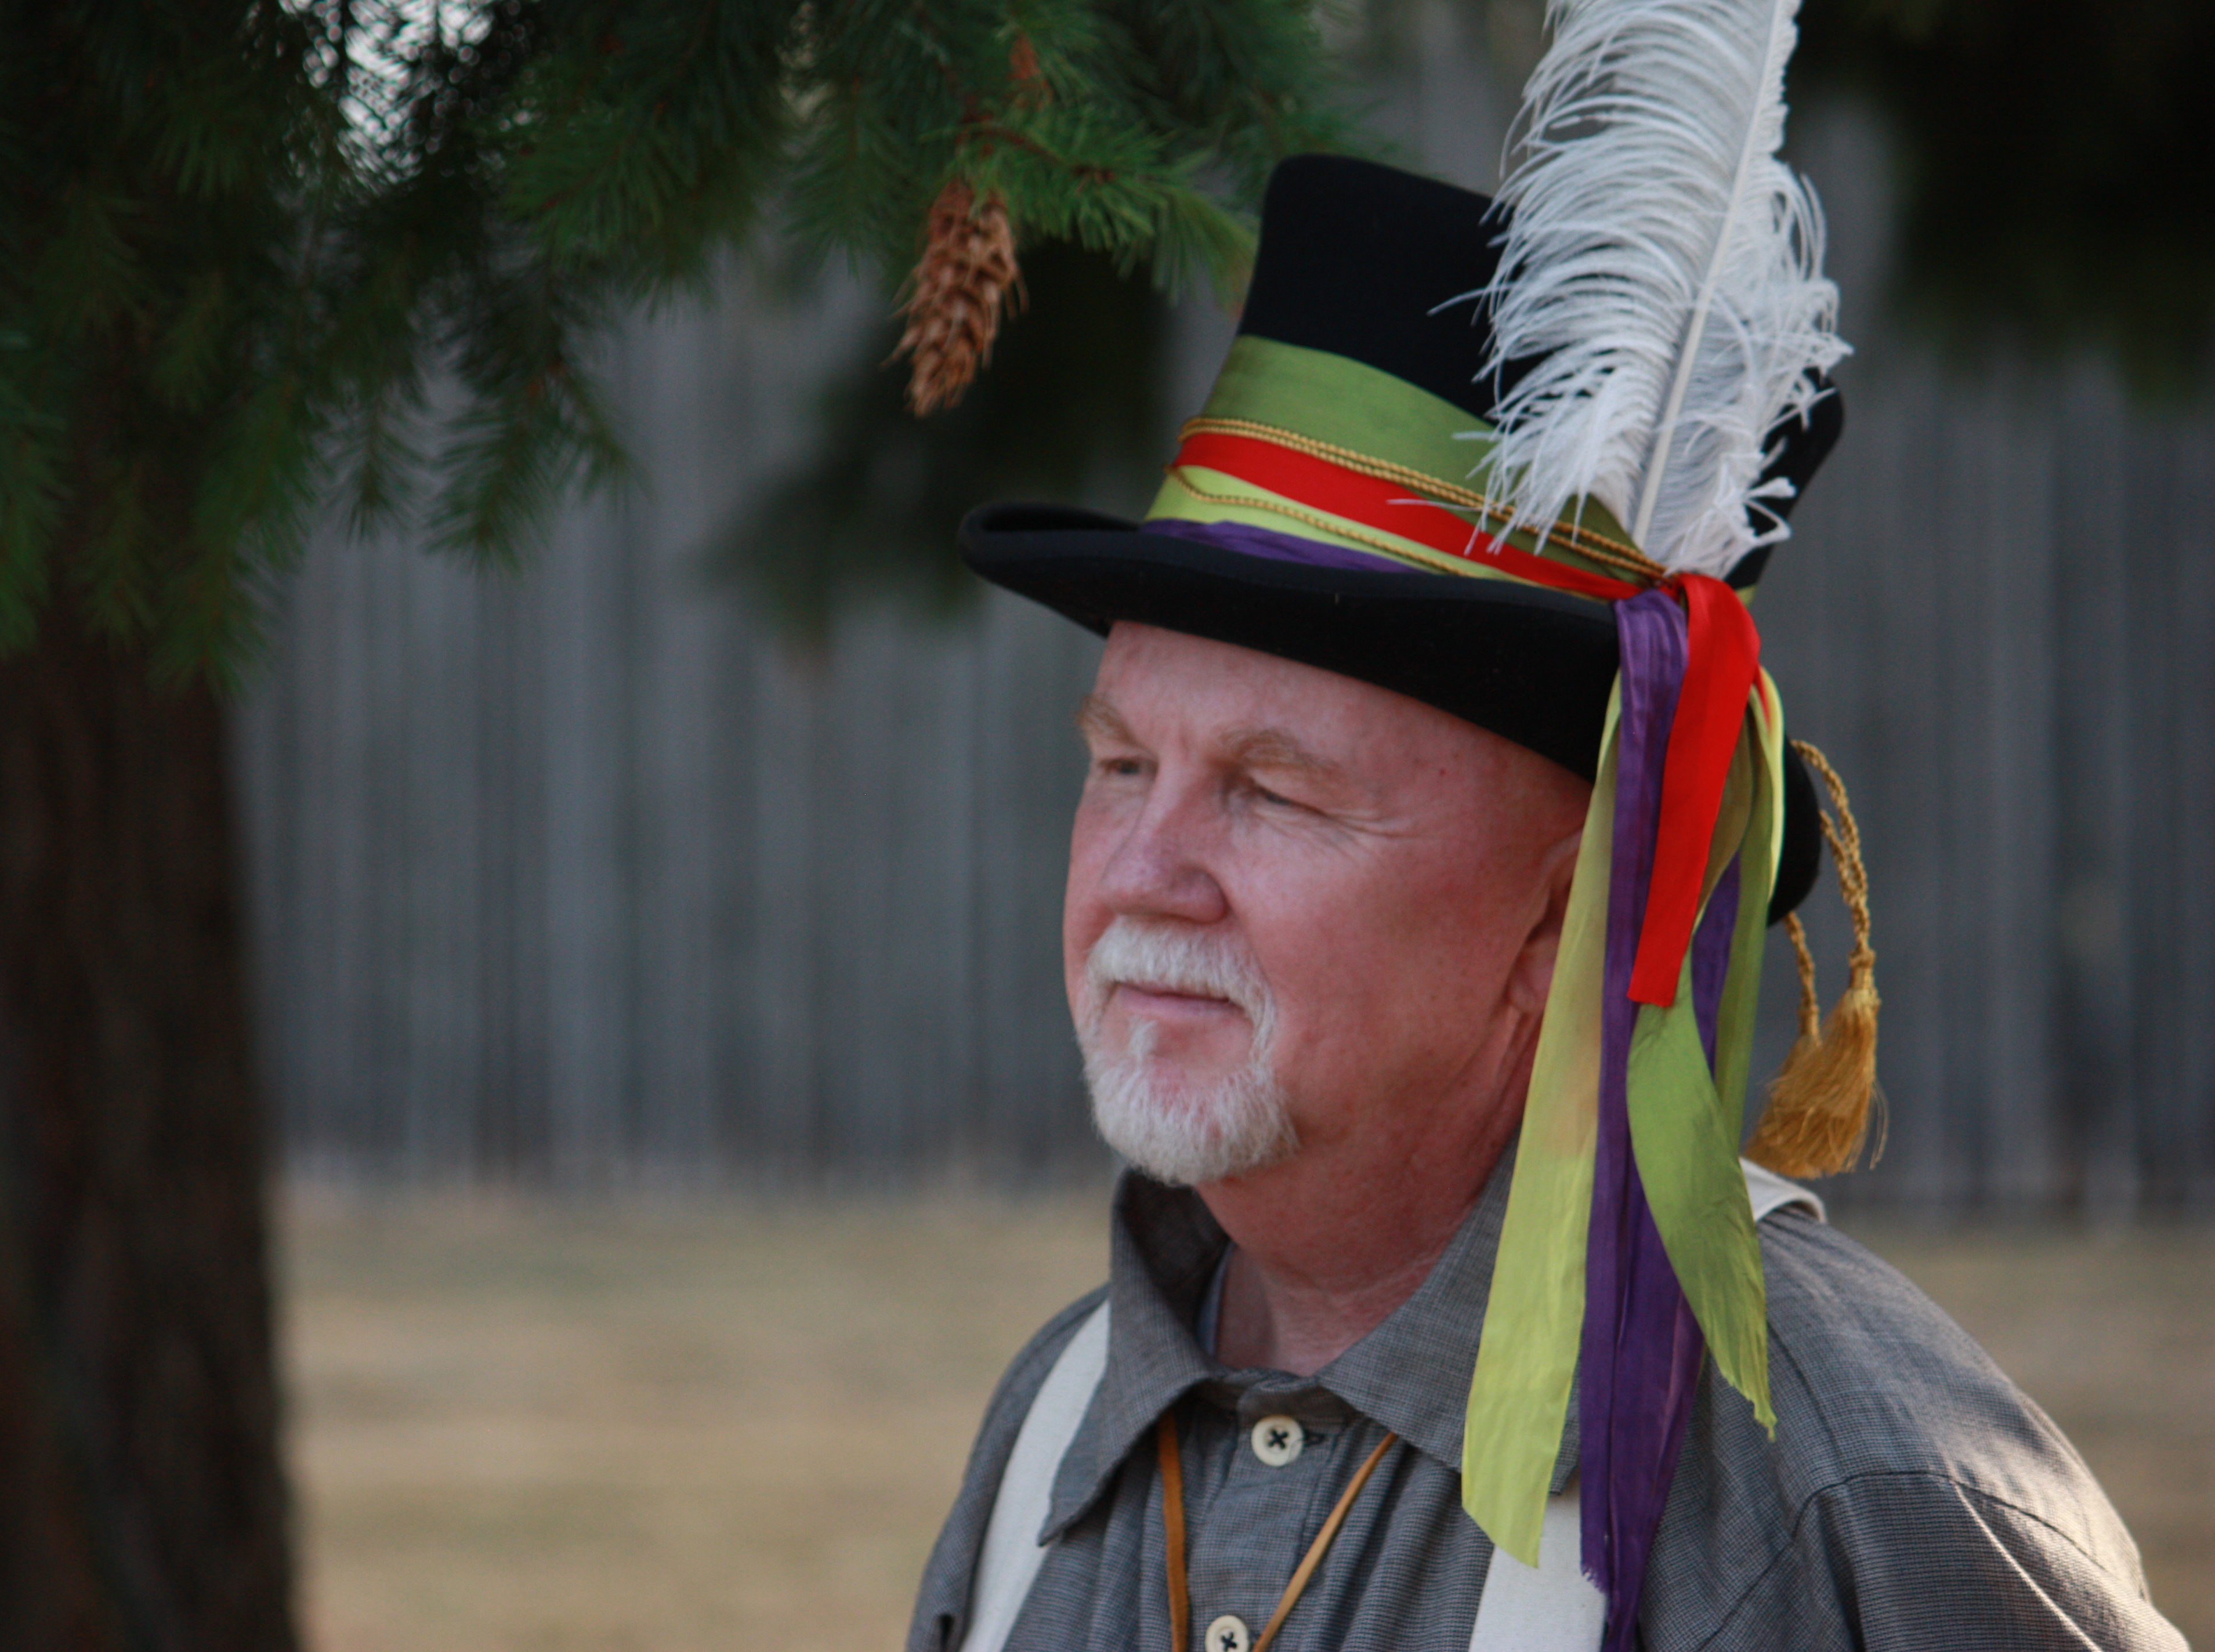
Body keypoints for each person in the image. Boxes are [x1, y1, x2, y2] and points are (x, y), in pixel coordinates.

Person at [902, 150, 2187, 1652]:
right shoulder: (1051, 1432)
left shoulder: (1841, 1491)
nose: (1141, 876)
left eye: (1271, 790)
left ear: (1562, 914)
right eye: (1122, 766)